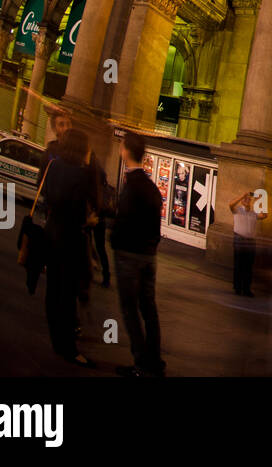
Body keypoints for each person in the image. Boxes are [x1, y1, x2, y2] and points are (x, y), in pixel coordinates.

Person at [42, 127, 99, 367]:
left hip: (52, 234)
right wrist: (90, 221)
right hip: (70, 240)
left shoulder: (54, 167)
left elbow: (47, 198)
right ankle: (68, 348)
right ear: (82, 149)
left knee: (53, 291)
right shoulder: (83, 175)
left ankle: (57, 340)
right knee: (67, 295)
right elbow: (78, 212)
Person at [112, 132, 165, 377]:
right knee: (149, 308)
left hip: (129, 256)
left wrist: (113, 238)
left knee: (130, 309)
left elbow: (122, 222)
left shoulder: (132, 186)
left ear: (125, 151)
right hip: (148, 256)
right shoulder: (152, 188)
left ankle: (141, 363)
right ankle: (155, 361)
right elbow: (156, 226)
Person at [229, 190, 266, 296]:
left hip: (250, 241)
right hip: (239, 239)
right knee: (239, 264)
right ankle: (237, 287)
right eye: (245, 199)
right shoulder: (238, 210)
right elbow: (231, 204)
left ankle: (246, 288)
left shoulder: (253, 213)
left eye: (248, 199)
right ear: (241, 201)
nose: (247, 200)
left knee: (248, 266)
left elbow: (264, 215)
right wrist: (242, 195)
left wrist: (259, 201)